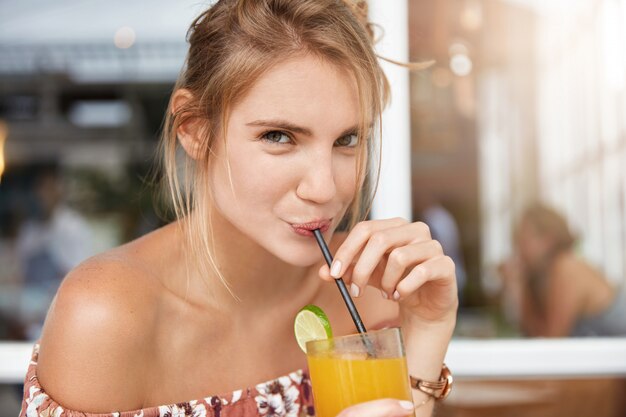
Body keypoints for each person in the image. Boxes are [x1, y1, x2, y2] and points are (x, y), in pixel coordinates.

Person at [19, 1, 458, 417]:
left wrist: (427, 332)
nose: (324, 187)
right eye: (279, 136)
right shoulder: (106, 317)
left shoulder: (377, 303)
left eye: (347, 140)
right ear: (194, 130)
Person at [499, 203, 626, 337]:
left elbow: (552, 340)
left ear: (548, 239)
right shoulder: (543, 277)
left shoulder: (566, 268)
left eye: (524, 239)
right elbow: (533, 335)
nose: (519, 248)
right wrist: (518, 287)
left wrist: (519, 288)